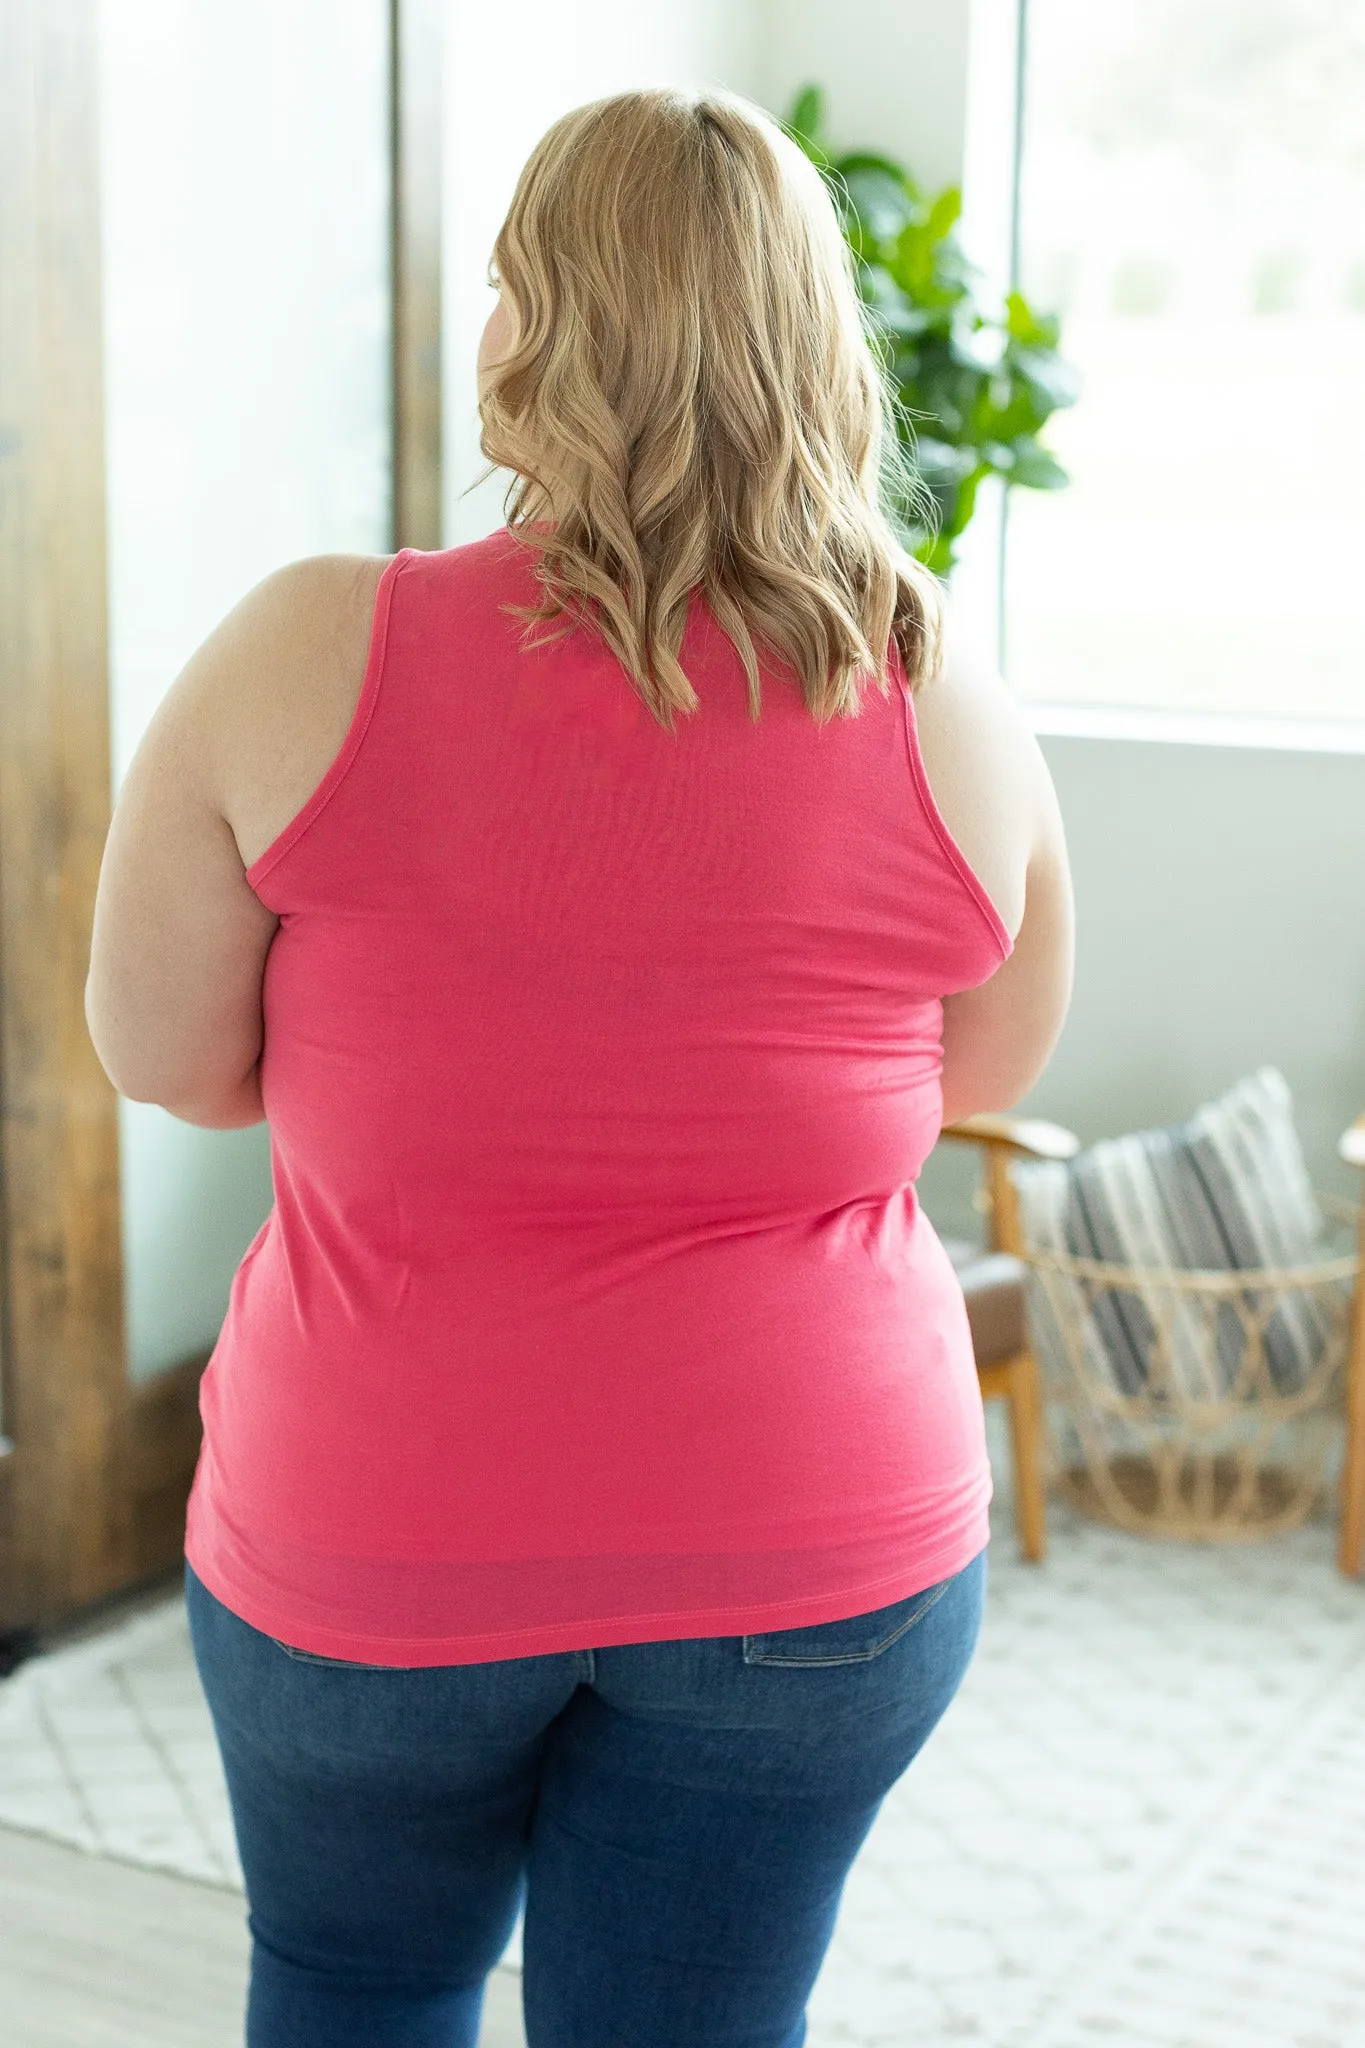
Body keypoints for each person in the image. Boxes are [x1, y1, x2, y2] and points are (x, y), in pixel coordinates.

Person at [85, 85, 1074, 2048]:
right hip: (817, 1544)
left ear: (522, 329)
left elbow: (170, 1060)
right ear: (815, 343)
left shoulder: (303, 648)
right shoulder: (933, 678)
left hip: (376, 1527)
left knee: (360, 1986)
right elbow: (992, 1058)